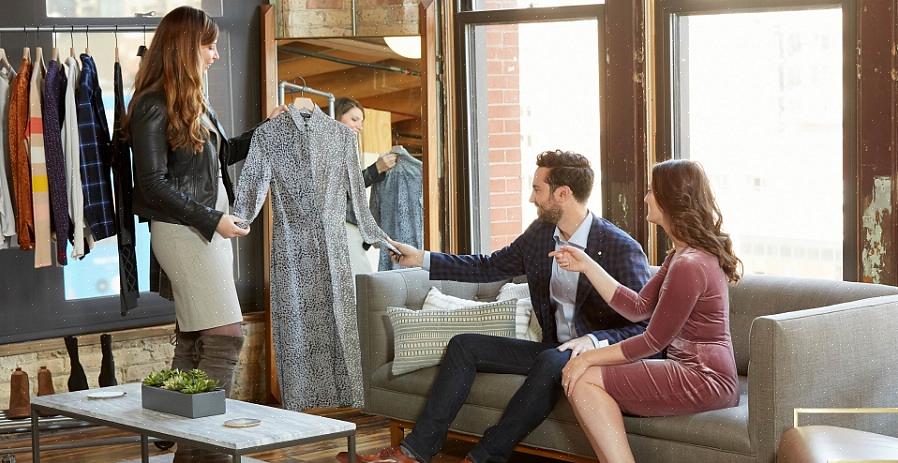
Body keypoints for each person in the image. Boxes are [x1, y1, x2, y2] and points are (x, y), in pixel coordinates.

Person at [339, 150, 652, 463]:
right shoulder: (542, 235)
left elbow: (643, 326)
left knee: (550, 361)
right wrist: (421, 258)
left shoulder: (619, 247)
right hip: (552, 349)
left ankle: (483, 458)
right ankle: (414, 451)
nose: (532, 198)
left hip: (596, 355)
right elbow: (486, 267)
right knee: (464, 346)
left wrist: (593, 341)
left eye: (537, 189)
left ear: (563, 194)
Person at [126, 6, 285, 462]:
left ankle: (176, 430)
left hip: (206, 227)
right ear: (185, 47)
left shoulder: (192, 100)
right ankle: (207, 446)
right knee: (228, 333)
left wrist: (265, 131)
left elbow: (221, 155)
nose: (215, 54)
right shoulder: (152, 103)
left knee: (197, 334)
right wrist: (211, 220)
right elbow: (152, 185)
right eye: (209, 45)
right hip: (185, 231)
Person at [551, 159, 741, 463]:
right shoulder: (680, 254)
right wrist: (587, 265)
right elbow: (638, 308)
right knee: (584, 378)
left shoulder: (690, 264)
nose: (645, 197)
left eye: (652, 190)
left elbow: (653, 341)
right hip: (697, 373)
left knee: (584, 378)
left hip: (705, 378)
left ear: (670, 199)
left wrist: (586, 357)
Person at [333, 97, 397, 275]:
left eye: (361, 122)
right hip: (342, 227)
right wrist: (376, 169)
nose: (360, 127)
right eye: (354, 119)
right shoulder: (329, 149)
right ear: (336, 117)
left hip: (349, 229)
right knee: (363, 282)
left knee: (360, 282)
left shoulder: (345, 149)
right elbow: (341, 189)